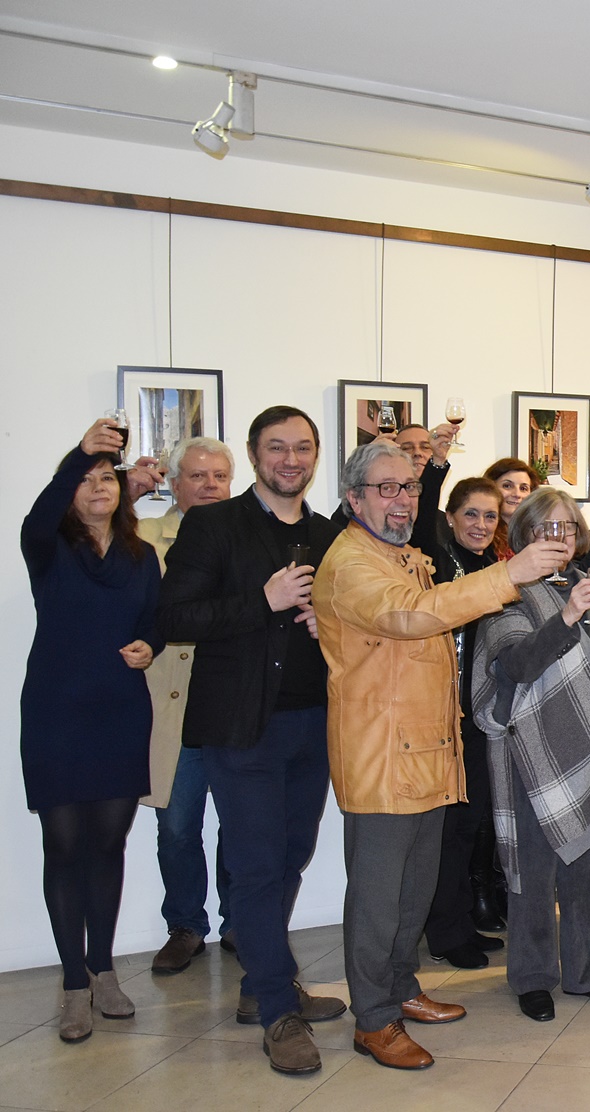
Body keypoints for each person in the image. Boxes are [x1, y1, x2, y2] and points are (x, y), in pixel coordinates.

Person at [316, 440, 566, 1068]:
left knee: (413, 892)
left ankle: (401, 989)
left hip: (427, 749)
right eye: (387, 488)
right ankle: (373, 1019)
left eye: (409, 487)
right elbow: (410, 616)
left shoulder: (401, 555)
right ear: (354, 499)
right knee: (377, 901)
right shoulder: (351, 563)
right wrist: (508, 574)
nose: (402, 499)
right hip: (381, 757)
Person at [158, 405, 349, 1075]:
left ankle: (263, 981)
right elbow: (174, 617)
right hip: (242, 729)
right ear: (254, 454)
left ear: (316, 455)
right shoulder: (213, 525)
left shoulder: (329, 535)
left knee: (290, 857)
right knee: (258, 866)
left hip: (313, 724)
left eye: (302, 447)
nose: (290, 459)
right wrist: (261, 603)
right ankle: (277, 1012)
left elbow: (349, 619)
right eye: (276, 447)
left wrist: (330, 626)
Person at [473, 489, 590, 1020]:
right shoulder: (508, 592)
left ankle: (586, 970)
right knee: (534, 874)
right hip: (533, 756)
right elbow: (514, 667)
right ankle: (532, 976)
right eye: (547, 528)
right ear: (524, 534)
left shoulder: (588, 588)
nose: (559, 538)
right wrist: (566, 617)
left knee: (587, 871)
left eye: (567, 528)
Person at [22, 419, 163, 1043]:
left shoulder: (141, 556)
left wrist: (150, 646)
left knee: (108, 844)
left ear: (121, 488)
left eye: (106, 477)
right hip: (56, 713)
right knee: (63, 845)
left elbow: (156, 621)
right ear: (69, 490)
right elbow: (38, 516)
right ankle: (73, 983)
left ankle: (103, 971)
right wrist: (82, 454)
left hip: (121, 712)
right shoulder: (48, 547)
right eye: (85, 479)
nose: (98, 486)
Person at [140, 436, 237, 975]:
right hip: (173, 709)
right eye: (197, 476)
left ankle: (241, 923)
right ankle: (185, 926)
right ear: (174, 484)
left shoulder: (247, 538)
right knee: (177, 827)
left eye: (219, 477)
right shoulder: (142, 539)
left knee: (242, 825)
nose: (209, 486)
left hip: (235, 704)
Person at [412, 465, 509, 969]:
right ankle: (446, 933)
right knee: (448, 829)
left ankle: (460, 922)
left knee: (470, 824)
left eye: (490, 516)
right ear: (449, 518)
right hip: (442, 713)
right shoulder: (436, 561)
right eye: (470, 514)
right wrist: (433, 468)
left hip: (482, 715)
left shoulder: (496, 566)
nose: (480, 524)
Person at [484, 458, 536, 560]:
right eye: (507, 486)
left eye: (523, 488)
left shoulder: (536, 534)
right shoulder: (481, 533)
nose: (517, 494)